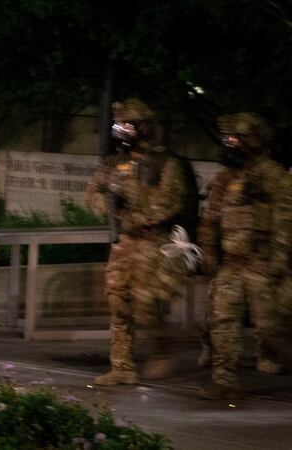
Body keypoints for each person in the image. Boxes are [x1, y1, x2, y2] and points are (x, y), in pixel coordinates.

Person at [85, 98, 196, 385]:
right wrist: (110, 208)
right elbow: (93, 191)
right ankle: (122, 367)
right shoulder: (114, 163)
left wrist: (133, 217)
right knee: (118, 303)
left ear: (144, 128)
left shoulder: (165, 162)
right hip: (123, 244)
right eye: (118, 124)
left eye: (128, 124)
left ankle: (161, 348)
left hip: (154, 244)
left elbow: (171, 202)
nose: (122, 130)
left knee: (145, 307)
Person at [196, 112, 292, 400]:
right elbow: (210, 219)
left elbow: (285, 220)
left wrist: (278, 259)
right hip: (232, 265)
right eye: (227, 138)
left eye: (235, 138)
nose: (229, 144)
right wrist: (209, 251)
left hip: (262, 264)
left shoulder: (274, 176)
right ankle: (225, 380)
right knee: (223, 321)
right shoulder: (225, 179)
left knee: (272, 327)